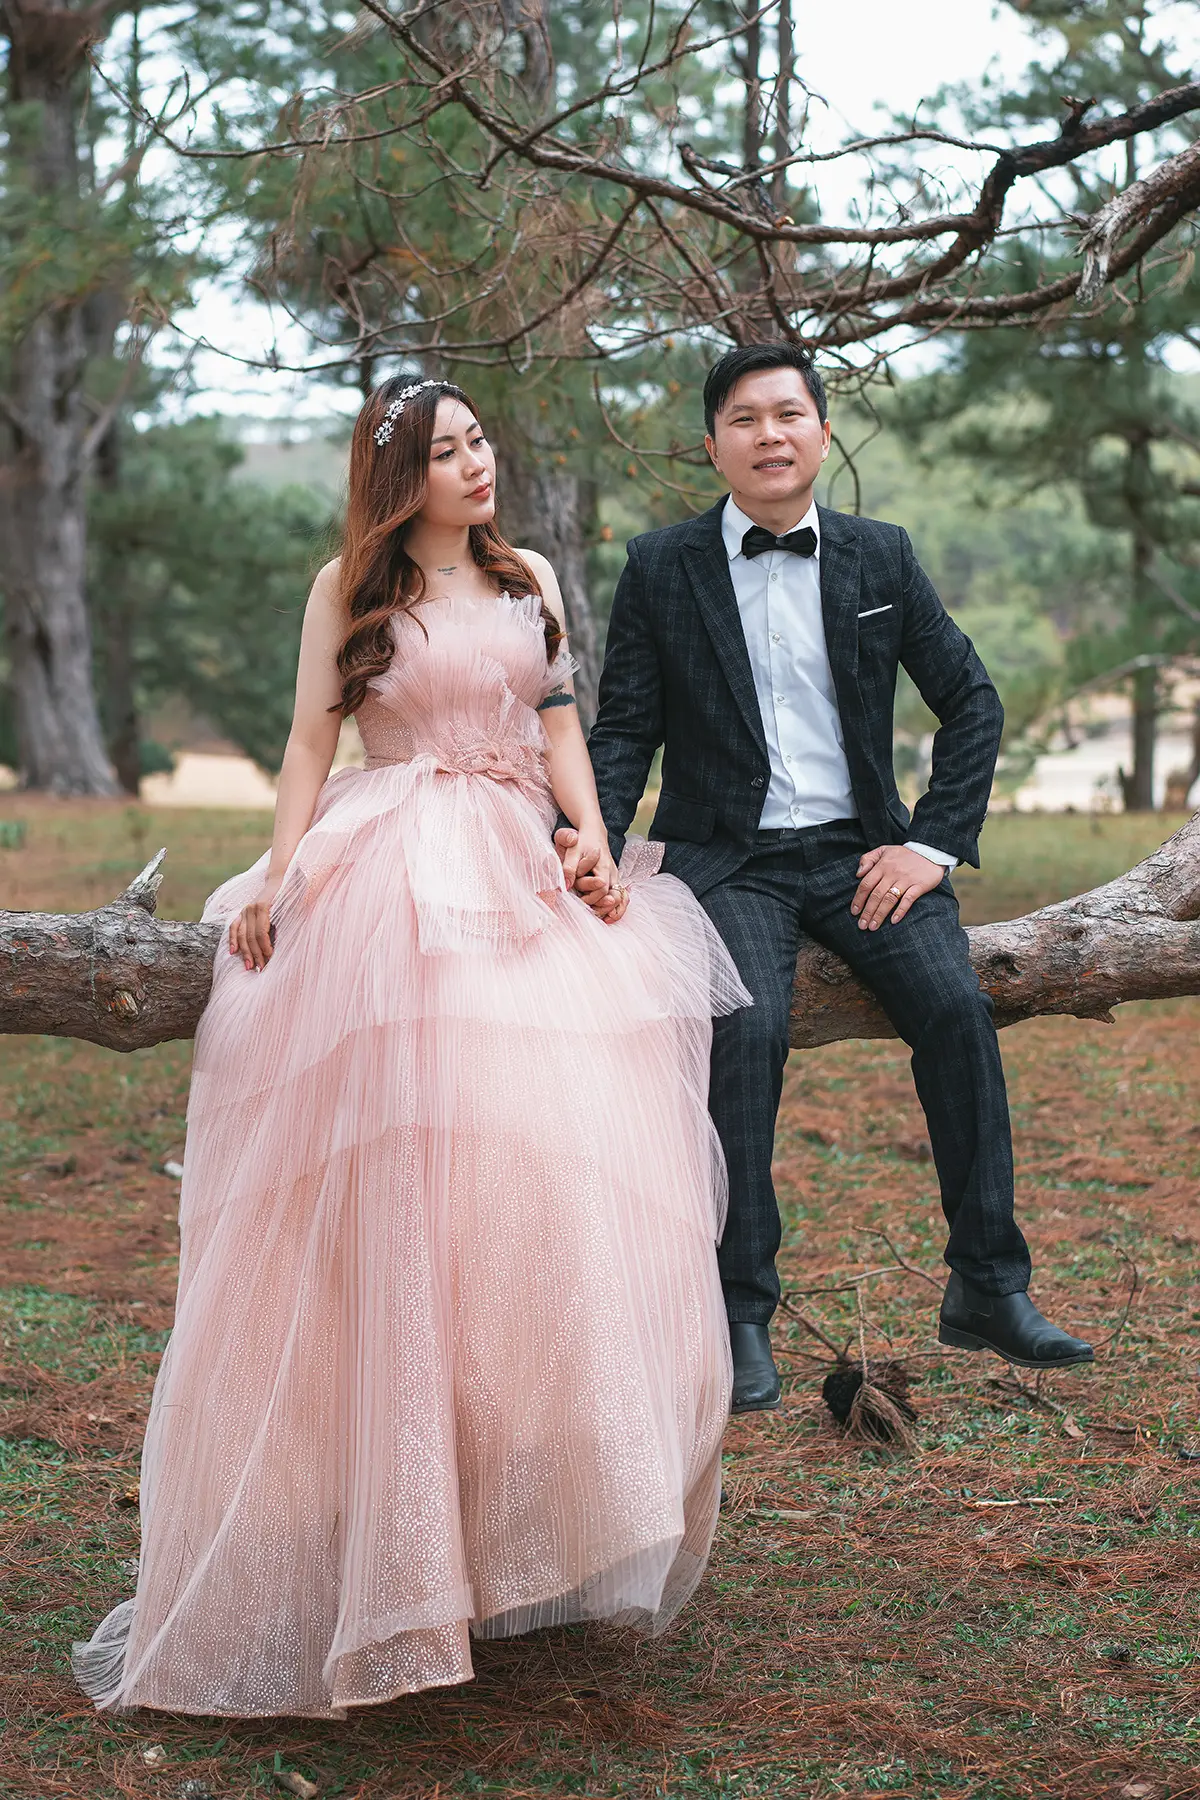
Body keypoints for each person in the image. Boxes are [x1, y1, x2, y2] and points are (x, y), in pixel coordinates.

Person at [71, 377, 750, 1720]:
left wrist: (591, 837)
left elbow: (556, 721)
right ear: (399, 478)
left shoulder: (528, 573)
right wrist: (278, 873)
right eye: (446, 452)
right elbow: (308, 738)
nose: (476, 463)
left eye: (479, 439)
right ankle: (387, 1526)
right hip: (387, 869)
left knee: (535, 1176)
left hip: (518, 867)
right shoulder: (349, 587)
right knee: (399, 1181)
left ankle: (521, 1505)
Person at [559, 342, 1093, 1414]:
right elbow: (623, 732)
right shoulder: (662, 566)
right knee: (747, 1028)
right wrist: (591, 844)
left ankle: (989, 1285)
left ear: (822, 431)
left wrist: (930, 846)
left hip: (864, 853)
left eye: (789, 414)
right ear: (712, 446)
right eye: (745, 419)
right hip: (728, 860)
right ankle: (738, 1313)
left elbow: (972, 701)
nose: (770, 435)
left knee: (956, 1009)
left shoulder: (878, 556)